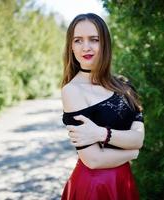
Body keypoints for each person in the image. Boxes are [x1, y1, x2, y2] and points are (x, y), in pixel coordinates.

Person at [60, 13, 145, 200]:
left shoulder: (124, 85)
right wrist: (132, 152)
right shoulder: (72, 90)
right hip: (94, 186)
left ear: (105, 43)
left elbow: (138, 138)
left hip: (124, 180)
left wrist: (101, 134)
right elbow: (93, 160)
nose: (86, 47)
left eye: (94, 39)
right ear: (71, 47)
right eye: (78, 40)